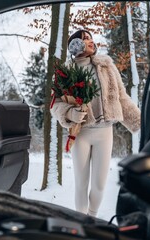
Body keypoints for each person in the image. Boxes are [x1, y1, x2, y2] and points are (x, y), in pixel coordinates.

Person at [50, 29, 141, 217]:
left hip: (104, 132)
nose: (91, 41)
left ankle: (91, 218)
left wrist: (141, 122)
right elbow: (55, 104)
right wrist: (69, 114)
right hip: (81, 133)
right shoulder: (64, 73)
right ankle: (81, 222)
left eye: (91, 38)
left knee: (99, 185)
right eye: (85, 39)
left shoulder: (106, 66)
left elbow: (121, 98)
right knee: (81, 183)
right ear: (75, 46)